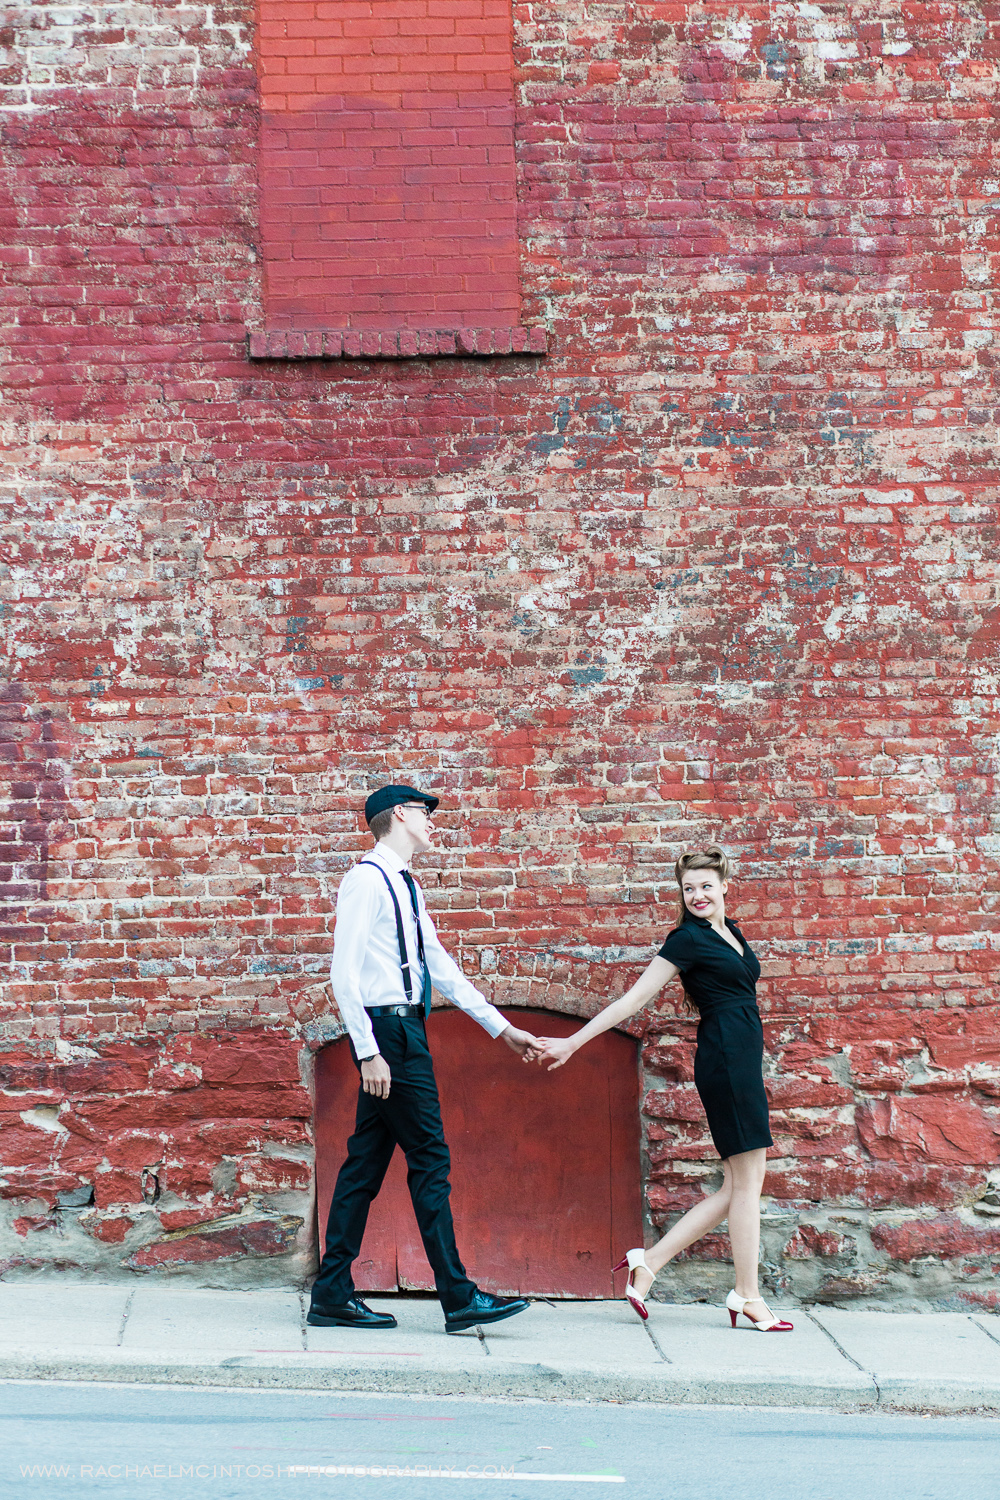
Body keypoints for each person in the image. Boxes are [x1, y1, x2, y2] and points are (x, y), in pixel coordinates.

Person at [530, 846, 793, 1333]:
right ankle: (748, 1295)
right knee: (747, 1185)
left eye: (706, 886)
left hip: (741, 1063)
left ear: (724, 887)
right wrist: (573, 1041)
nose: (697, 895)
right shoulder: (686, 940)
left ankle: (647, 1263)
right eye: (688, 888)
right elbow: (633, 1000)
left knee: (739, 1186)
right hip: (726, 1064)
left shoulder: (728, 931)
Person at [309, 783, 539, 1334]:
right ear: (398, 816)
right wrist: (368, 1052)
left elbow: (441, 967)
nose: (431, 820)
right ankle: (458, 1296)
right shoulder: (366, 880)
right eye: (423, 812)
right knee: (430, 1161)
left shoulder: (405, 887)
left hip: (407, 1033)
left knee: (364, 1166)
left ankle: (331, 1294)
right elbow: (343, 974)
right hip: (389, 1038)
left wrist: (500, 1027)